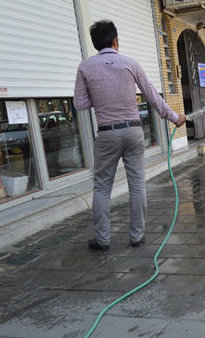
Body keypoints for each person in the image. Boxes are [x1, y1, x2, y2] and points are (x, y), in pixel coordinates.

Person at [74, 20, 186, 251]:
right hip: (134, 131)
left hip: (107, 134)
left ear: (96, 43)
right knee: (137, 185)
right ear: (115, 41)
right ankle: (137, 237)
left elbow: (79, 103)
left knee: (103, 188)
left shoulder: (85, 68)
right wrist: (174, 117)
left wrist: (101, 97)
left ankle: (102, 239)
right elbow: (152, 95)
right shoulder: (131, 64)